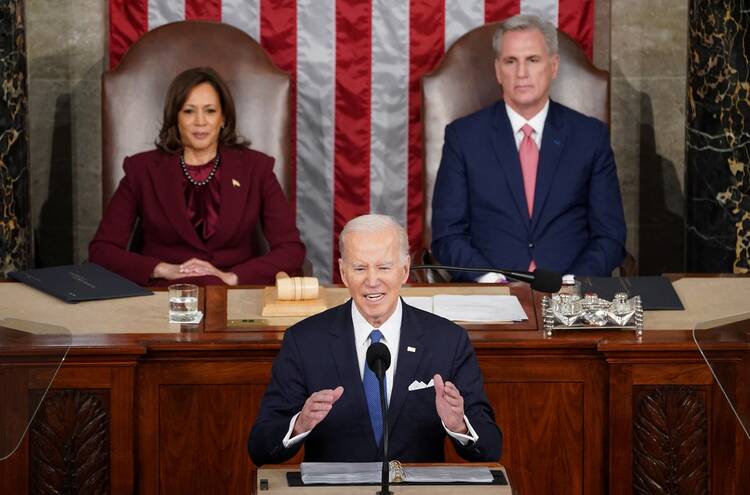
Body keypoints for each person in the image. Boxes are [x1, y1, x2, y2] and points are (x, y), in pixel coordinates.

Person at [247, 214, 501, 465]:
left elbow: (491, 447)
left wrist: (459, 425)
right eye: (359, 268)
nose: (372, 281)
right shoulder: (304, 341)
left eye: (383, 267)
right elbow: (260, 447)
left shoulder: (446, 340)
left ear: (404, 270)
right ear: (343, 273)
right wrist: (299, 424)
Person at [431, 14, 626, 281]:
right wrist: (488, 278)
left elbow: (610, 236)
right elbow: (447, 235)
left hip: (570, 295)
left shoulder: (590, 136)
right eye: (511, 61)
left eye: (532, 60)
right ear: (498, 70)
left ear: (554, 66)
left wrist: (576, 281)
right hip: (488, 296)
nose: (521, 73)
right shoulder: (463, 137)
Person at [89, 67, 305, 286]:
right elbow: (102, 250)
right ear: (175, 118)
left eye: (210, 111)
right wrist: (163, 269)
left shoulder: (256, 168)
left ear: (223, 118)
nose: (200, 121)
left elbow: (291, 250)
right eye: (189, 111)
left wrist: (231, 277)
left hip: (235, 294)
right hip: (164, 295)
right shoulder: (141, 169)